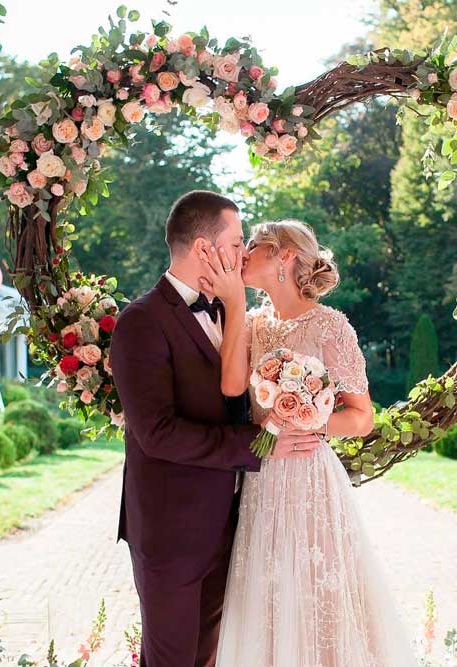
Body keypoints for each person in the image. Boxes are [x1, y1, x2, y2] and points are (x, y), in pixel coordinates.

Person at [110, 192, 321, 667]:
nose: (244, 253)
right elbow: (157, 433)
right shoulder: (141, 322)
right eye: (237, 241)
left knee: (209, 657)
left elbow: (237, 405)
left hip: (230, 527)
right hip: (170, 532)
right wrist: (262, 445)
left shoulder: (231, 313)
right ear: (205, 249)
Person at [200, 219, 417, 666]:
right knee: (269, 594)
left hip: (311, 483)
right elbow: (231, 386)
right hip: (262, 481)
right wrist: (236, 305)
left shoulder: (331, 327)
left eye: (254, 246)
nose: (243, 254)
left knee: (318, 594)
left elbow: (361, 417)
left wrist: (309, 418)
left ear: (285, 257)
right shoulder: (252, 322)